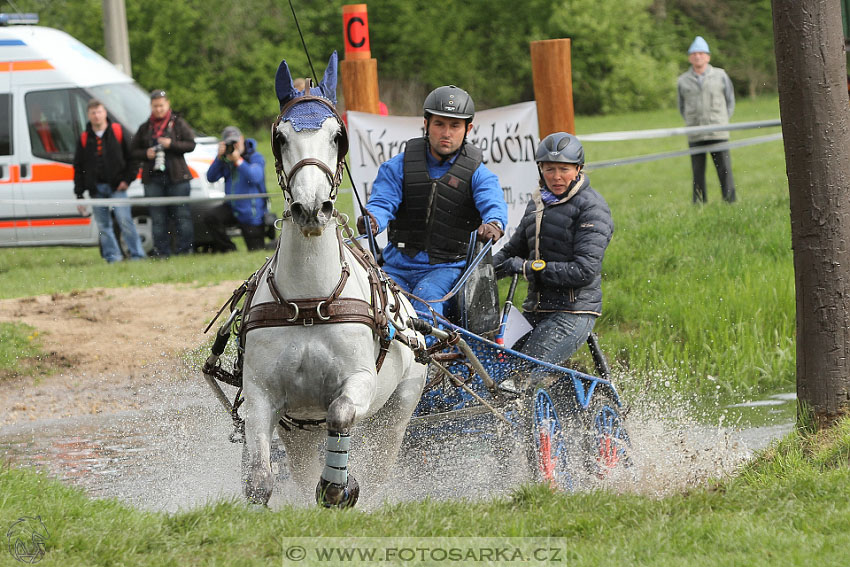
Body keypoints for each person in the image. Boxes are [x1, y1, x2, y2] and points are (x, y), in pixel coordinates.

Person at [357, 85, 508, 318]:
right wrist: (374, 219)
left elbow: (493, 205)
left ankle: (427, 355)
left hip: (447, 268)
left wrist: (494, 224)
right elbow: (382, 202)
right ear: (426, 124)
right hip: (396, 267)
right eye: (439, 124)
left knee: (426, 303)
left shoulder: (479, 173)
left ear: (468, 129)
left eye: (454, 125)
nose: (446, 132)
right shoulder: (398, 166)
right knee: (380, 305)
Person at [492, 132, 613, 367]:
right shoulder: (537, 204)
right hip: (535, 311)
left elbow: (584, 270)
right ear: (540, 170)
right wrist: (477, 271)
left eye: (563, 169)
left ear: (578, 169)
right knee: (494, 369)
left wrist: (529, 268)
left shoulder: (592, 208)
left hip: (573, 313)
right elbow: (511, 251)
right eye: (549, 169)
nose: (556, 177)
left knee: (519, 379)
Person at [73, 99, 146, 263]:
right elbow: (78, 167)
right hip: (96, 188)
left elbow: (133, 158)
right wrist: (79, 193)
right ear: (88, 115)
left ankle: (137, 255)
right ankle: (113, 257)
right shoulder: (85, 138)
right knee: (103, 226)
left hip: (118, 187)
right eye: (93, 113)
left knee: (124, 221)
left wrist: (127, 180)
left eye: (99, 112)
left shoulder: (118, 132)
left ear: (105, 113)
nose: (96, 116)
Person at [131, 89, 196, 257]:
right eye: (155, 106)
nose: (158, 109)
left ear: (167, 105)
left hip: (177, 177)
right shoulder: (145, 128)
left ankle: (185, 251)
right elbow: (133, 151)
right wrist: (146, 153)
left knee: (182, 216)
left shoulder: (178, 123)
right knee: (158, 219)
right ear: (151, 107)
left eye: (161, 105)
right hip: (153, 178)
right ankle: (162, 253)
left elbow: (191, 144)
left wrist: (171, 144)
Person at [677, 36, 737, 204]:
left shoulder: (720, 75)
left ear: (708, 57)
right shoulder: (682, 80)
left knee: (724, 170)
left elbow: (730, 101)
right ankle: (699, 204)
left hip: (718, 132)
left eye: (701, 53)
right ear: (689, 57)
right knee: (697, 172)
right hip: (695, 133)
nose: (698, 57)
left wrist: (722, 120)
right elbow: (681, 106)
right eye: (694, 54)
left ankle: (730, 201)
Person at [203, 126, 269, 252]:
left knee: (257, 250)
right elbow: (211, 177)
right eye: (230, 143)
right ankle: (228, 249)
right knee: (210, 217)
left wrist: (238, 161)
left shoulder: (255, 157)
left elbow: (256, 177)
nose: (234, 145)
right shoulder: (225, 159)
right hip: (232, 207)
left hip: (251, 212)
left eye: (236, 141)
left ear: (242, 139)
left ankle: (272, 245)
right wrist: (218, 158)